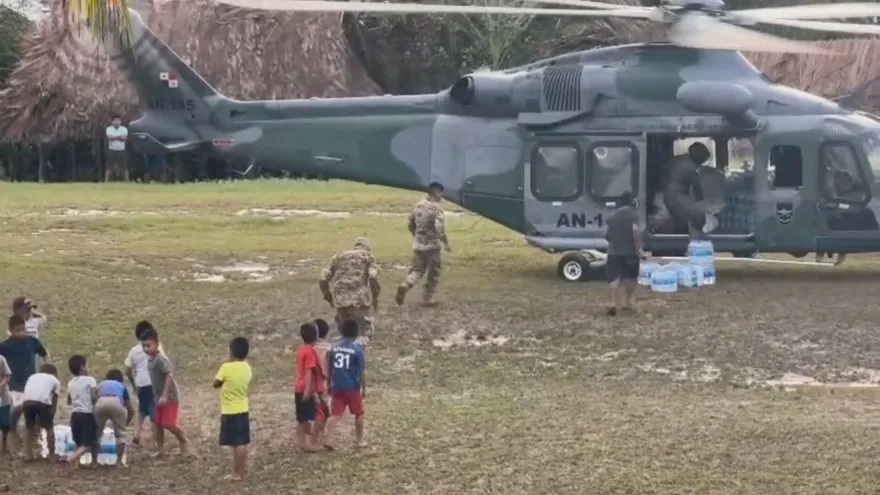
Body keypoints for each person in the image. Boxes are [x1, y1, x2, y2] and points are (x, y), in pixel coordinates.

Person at [396, 182, 451, 307]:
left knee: (417, 270)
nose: (441, 196)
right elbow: (439, 227)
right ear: (436, 192)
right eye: (440, 193)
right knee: (433, 273)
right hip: (433, 247)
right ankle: (428, 298)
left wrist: (416, 235)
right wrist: (445, 242)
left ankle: (406, 284)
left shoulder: (419, 205)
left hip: (418, 245)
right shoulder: (436, 208)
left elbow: (410, 222)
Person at [319, 238, 380, 347]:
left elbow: (323, 278)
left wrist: (328, 297)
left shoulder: (338, 256)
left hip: (340, 301)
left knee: (345, 333)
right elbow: (373, 277)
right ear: (368, 248)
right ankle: (356, 355)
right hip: (359, 300)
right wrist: (375, 298)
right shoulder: (368, 256)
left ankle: (340, 356)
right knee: (364, 333)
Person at [0, 315, 49, 442]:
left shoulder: (31, 341)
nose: (22, 333)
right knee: (17, 407)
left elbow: (44, 353)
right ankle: (12, 428)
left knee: (33, 406)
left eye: (23, 329)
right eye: (18, 330)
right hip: (14, 382)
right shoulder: (5, 346)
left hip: (31, 381)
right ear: (10, 330)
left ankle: (34, 432)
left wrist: (45, 367)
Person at [142, 329, 191, 456]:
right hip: (158, 397)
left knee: (168, 423)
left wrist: (165, 395)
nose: (146, 349)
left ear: (157, 344)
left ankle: (184, 441)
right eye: (144, 346)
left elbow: (169, 376)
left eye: (148, 345)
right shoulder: (150, 360)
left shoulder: (160, 359)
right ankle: (160, 449)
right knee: (158, 424)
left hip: (169, 397)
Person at [213, 337, 252, 481]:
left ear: (231, 351)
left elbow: (216, 383)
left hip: (230, 411)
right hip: (243, 408)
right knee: (242, 442)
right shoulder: (247, 367)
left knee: (236, 444)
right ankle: (242, 470)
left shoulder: (226, 367)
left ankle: (237, 472)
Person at [324, 319, 367, 449]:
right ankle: (359, 441)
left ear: (342, 332)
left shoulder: (334, 348)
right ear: (356, 333)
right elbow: (361, 372)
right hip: (352, 387)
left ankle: (328, 438)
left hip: (337, 386)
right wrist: (364, 388)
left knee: (336, 414)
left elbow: (329, 368)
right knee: (359, 413)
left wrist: (329, 384)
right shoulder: (357, 350)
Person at [663, 142, 716, 236]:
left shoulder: (678, 159)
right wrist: (703, 203)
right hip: (677, 197)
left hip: (667, 194)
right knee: (697, 216)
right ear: (700, 157)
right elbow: (697, 188)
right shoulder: (691, 168)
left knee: (679, 220)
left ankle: (678, 240)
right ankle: (694, 237)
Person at [604, 191, 644, 316]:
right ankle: (627, 301)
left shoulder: (612, 217)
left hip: (613, 252)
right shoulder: (633, 216)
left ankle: (611, 302)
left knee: (614, 278)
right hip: (630, 252)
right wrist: (639, 250)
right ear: (631, 203)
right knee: (631, 278)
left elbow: (606, 235)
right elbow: (635, 232)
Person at [124, 320, 163, 446]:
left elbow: (128, 370)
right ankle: (155, 439)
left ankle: (136, 435)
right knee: (154, 413)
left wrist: (134, 384)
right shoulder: (157, 346)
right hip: (153, 383)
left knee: (141, 410)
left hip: (140, 383)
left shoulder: (134, 350)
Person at [294, 322, 324, 452]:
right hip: (306, 388)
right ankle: (307, 444)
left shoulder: (301, 349)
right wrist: (309, 391)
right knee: (309, 417)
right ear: (316, 336)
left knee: (302, 418)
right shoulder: (311, 351)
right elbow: (309, 371)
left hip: (298, 387)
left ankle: (302, 442)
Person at [94, 369, 134, 467]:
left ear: (107, 377)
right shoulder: (122, 386)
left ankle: (94, 462)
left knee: (96, 434)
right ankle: (119, 462)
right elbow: (131, 410)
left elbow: (94, 400)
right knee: (120, 436)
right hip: (116, 402)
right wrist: (124, 424)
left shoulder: (101, 384)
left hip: (100, 402)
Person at [21, 363, 61, 461]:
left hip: (26, 402)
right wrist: (52, 412)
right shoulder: (55, 380)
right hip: (43, 402)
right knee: (49, 428)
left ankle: (28, 454)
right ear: (54, 373)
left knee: (29, 427)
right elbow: (55, 398)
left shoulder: (32, 377)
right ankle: (51, 455)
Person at [65, 355, 99, 468]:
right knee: (88, 443)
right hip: (86, 414)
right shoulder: (91, 380)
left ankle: (76, 465)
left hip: (74, 415)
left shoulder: (71, 382)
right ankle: (71, 458)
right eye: (87, 365)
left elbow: (68, 400)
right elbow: (94, 397)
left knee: (78, 442)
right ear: (82, 367)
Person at [105, 115, 130, 182]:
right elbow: (110, 138)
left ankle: (127, 182)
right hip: (111, 150)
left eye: (118, 121)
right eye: (115, 121)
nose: (117, 122)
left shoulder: (124, 129)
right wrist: (119, 137)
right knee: (109, 167)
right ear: (112, 122)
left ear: (120, 121)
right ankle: (106, 182)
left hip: (121, 150)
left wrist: (115, 137)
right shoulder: (109, 129)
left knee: (124, 167)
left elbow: (124, 139)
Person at [0, 354, 11, 454]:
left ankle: (4, 445)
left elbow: (7, 375)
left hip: (2, 395)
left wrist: (2, 385)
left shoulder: (1, 358)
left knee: (5, 423)